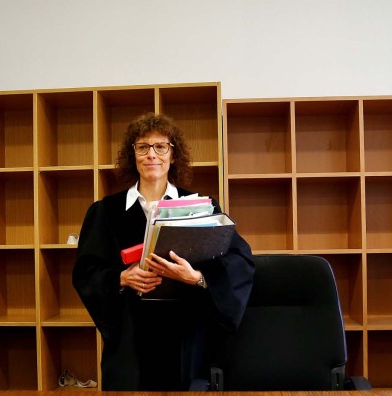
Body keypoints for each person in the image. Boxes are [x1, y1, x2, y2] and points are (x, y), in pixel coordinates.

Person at [72, 112, 255, 391]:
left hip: (185, 335)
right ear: (132, 155)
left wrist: (197, 277)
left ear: (173, 155)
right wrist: (121, 278)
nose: (151, 155)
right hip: (130, 337)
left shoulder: (201, 208)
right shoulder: (105, 212)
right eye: (142, 147)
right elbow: (86, 271)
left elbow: (239, 259)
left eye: (161, 147)